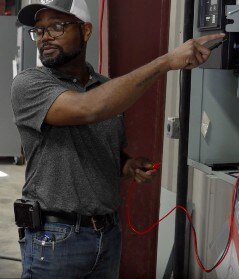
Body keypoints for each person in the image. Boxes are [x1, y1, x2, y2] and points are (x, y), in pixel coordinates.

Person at [11, 0, 225, 278]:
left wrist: (127, 165)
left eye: (57, 26)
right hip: (54, 239)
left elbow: (102, 150)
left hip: (107, 235)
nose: (45, 37)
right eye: (38, 31)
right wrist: (166, 62)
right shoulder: (30, 84)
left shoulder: (105, 87)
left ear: (85, 31)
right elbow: (88, 109)